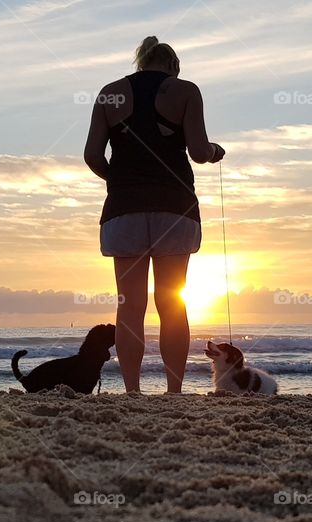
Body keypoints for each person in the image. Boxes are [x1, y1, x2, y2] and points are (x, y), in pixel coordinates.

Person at [84, 36, 225, 394]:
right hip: (174, 207)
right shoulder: (186, 91)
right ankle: (173, 392)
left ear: (141, 63)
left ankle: (132, 392)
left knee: (129, 307)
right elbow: (196, 149)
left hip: (123, 210)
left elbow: (93, 157)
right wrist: (214, 151)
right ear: (173, 66)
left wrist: (118, 179)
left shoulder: (109, 93)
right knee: (172, 304)